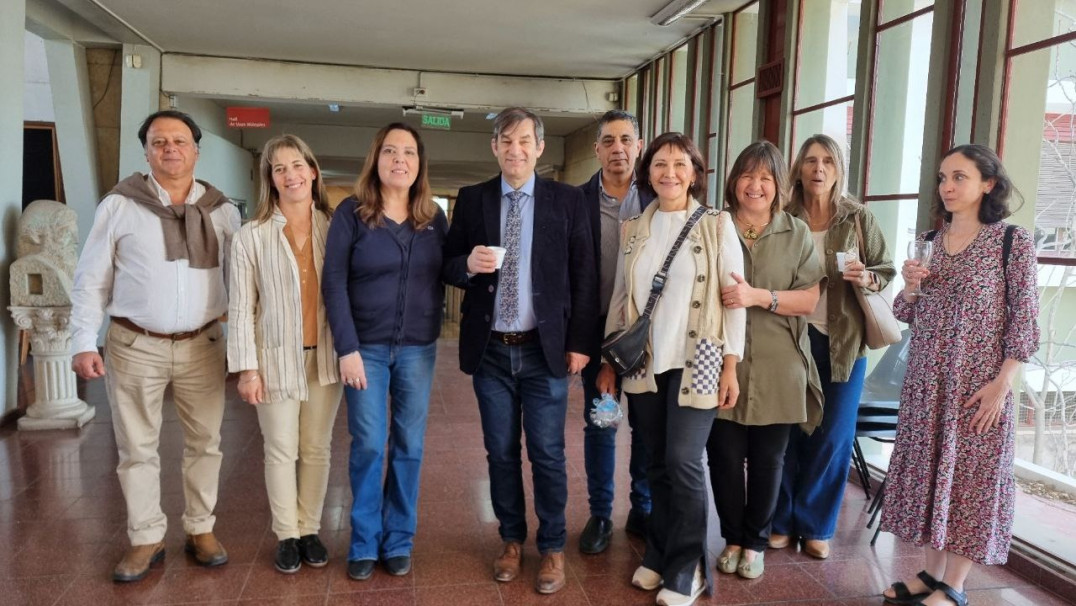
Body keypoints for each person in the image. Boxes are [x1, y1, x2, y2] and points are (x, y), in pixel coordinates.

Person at [70, 109, 240, 582]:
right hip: (133, 343)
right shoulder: (121, 205)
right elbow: (91, 278)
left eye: (179, 141)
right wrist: (84, 341)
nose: (170, 149)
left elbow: (240, 282)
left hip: (203, 344)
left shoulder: (222, 210)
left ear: (196, 150)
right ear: (146, 151)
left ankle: (201, 529)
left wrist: (245, 347)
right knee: (136, 446)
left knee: (206, 442)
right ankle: (145, 537)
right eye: (159, 142)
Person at [443, 107, 597, 595]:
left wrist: (579, 343)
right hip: (491, 350)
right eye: (506, 140)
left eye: (524, 141)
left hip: (543, 350)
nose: (515, 149)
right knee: (501, 453)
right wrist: (467, 263)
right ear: (494, 147)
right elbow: (447, 266)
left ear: (540, 148)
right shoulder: (472, 200)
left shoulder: (567, 201)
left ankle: (552, 547)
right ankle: (511, 539)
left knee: (549, 454)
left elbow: (585, 275)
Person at [880, 145, 1039, 606]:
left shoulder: (1012, 242)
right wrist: (910, 286)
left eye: (960, 177)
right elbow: (904, 312)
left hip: (979, 386)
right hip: (927, 382)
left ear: (987, 184)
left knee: (970, 481)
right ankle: (930, 574)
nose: (947, 187)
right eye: (943, 178)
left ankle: (956, 583)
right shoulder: (929, 239)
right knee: (929, 476)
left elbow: (1024, 321)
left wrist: (1002, 385)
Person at [597, 132, 744, 606]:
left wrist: (731, 365)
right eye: (661, 164)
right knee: (655, 462)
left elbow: (734, 299)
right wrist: (608, 360)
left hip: (699, 359)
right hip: (645, 361)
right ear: (648, 171)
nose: (670, 173)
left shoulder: (718, 225)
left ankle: (689, 568)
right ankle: (658, 554)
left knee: (683, 462)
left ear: (695, 173)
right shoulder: (635, 227)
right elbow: (623, 297)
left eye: (680, 164)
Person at [322, 123, 449, 582]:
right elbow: (333, 281)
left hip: (418, 348)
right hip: (366, 351)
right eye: (391, 151)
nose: (400, 159)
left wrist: (474, 266)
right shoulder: (352, 214)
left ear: (420, 163)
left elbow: (447, 271)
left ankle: (398, 540)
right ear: (376, 159)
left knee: (410, 446)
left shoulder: (433, 217)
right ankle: (362, 541)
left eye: (409, 152)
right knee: (371, 445)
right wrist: (347, 347)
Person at [771, 134, 895, 559]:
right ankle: (781, 520)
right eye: (810, 161)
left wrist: (867, 277)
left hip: (844, 344)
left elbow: (885, 268)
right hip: (789, 340)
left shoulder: (857, 217)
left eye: (827, 161)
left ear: (838, 169)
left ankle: (816, 525)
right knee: (785, 432)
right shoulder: (783, 216)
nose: (818, 169)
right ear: (798, 169)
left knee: (833, 437)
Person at [227, 134, 343, 574]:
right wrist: (246, 369)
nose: (290, 175)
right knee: (280, 449)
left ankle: (310, 528)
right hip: (274, 358)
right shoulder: (251, 236)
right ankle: (286, 534)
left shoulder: (335, 227)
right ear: (269, 180)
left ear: (313, 171)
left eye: (297, 165)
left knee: (316, 448)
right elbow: (241, 308)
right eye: (279, 169)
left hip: (325, 356)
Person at [709, 140, 824, 580]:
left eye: (765, 178)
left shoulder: (795, 232)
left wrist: (760, 297)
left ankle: (755, 543)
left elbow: (809, 299)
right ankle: (732, 537)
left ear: (779, 186)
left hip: (780, 363)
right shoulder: (714, 227)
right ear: (734, 180)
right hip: (720, 360)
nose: (754, 186)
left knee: (768, 460)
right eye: (747, 175)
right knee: (722, 454)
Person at [577, 110, 654, 554]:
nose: (618, 148)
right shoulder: (576, 201)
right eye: (608, 141)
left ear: (638, 146)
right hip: (596, 338)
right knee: (601, 425)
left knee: (644, 427)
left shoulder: (656, 200)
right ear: (597, 150)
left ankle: (641, 509)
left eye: (626, 139)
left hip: (645, 337)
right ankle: (601, 514)